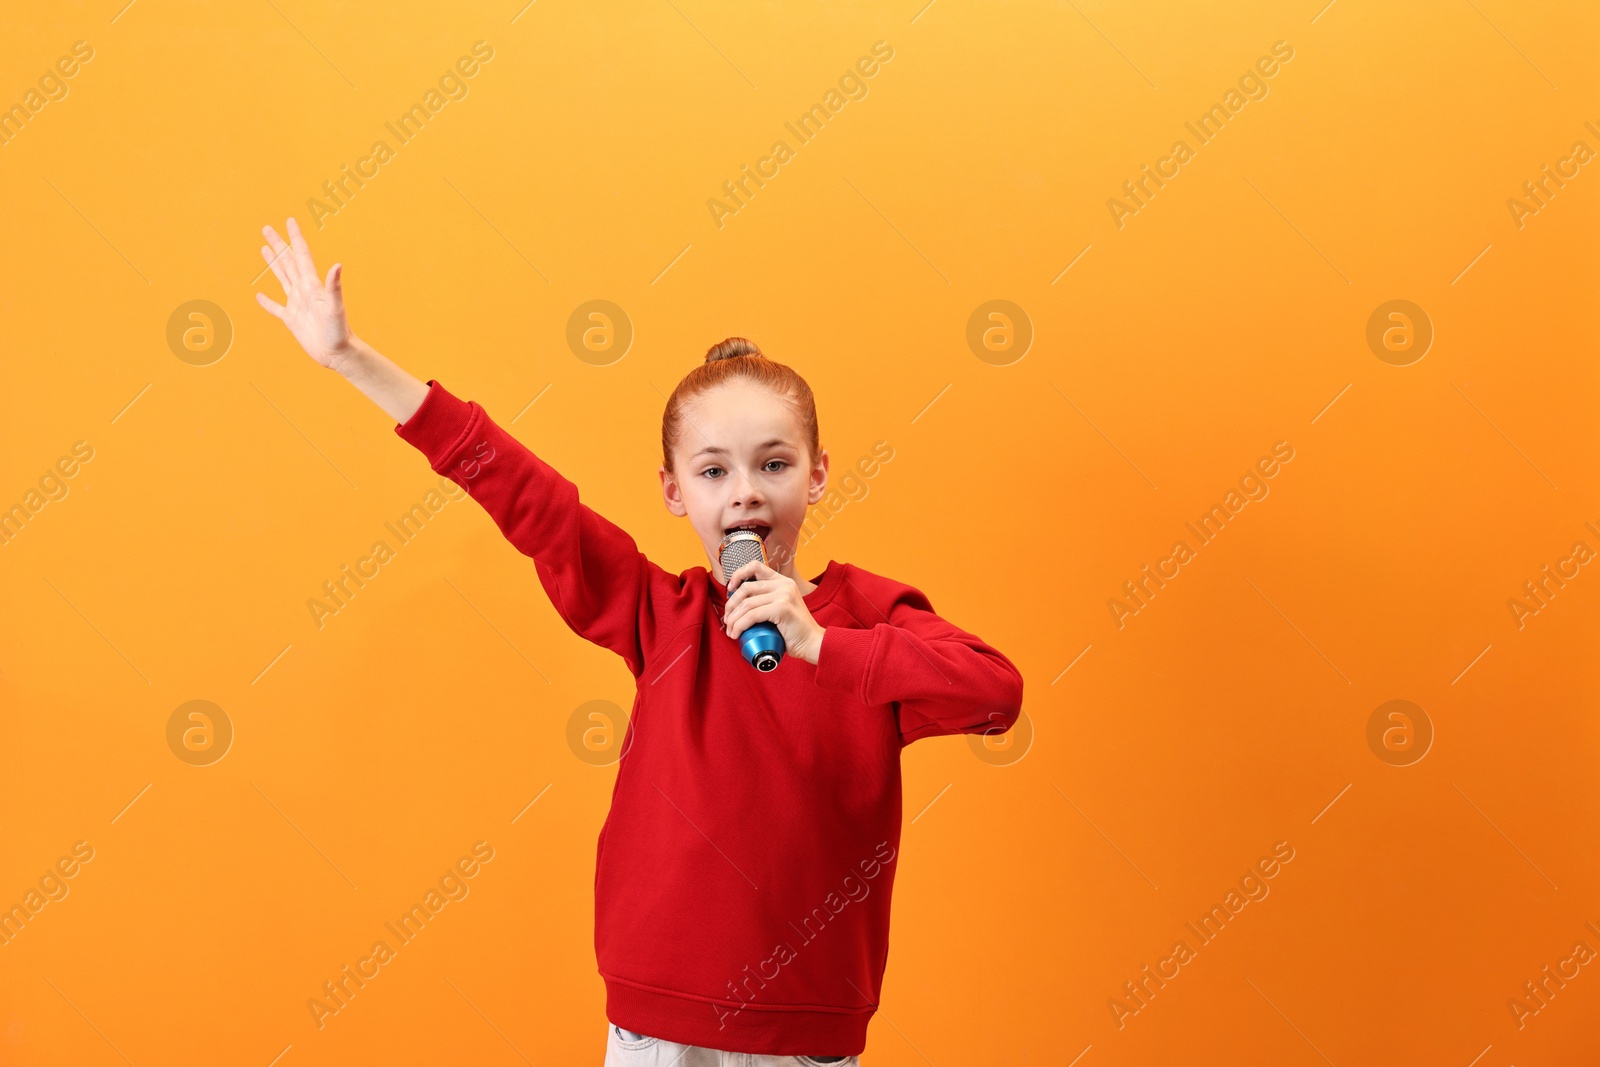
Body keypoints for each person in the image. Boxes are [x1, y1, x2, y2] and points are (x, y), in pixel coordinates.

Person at [255, 217, 1025, 1064]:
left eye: (772, 465)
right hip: (659, 1026)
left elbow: (993, 691)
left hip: (809, 1029)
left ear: (816, 473)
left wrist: (821, 644)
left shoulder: (869, 619)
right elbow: (524, 494)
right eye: (712, 471)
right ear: (672, 492)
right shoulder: (661, 615)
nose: (743, 494)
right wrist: (350, 358)